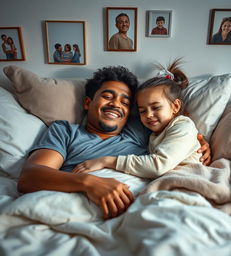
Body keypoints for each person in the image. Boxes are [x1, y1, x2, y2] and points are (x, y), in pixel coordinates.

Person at [17, 65, 211, 220]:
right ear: (87, 103)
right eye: (107, 96)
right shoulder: (65, 131)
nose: (116, 104)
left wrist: (201, 142)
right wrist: (89, 183)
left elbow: (175, 129)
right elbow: (30, 177)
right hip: (79, 206)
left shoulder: (141, 127)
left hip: (143, 206)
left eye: (125, 102)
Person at [72, 59, 202, 179]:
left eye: (156, 108)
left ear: (175, 106)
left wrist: (107, 161)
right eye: (142, 111)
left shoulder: (183, 126)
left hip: (185, 177)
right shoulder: (150, 131)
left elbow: (158, 166)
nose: (149, 115)